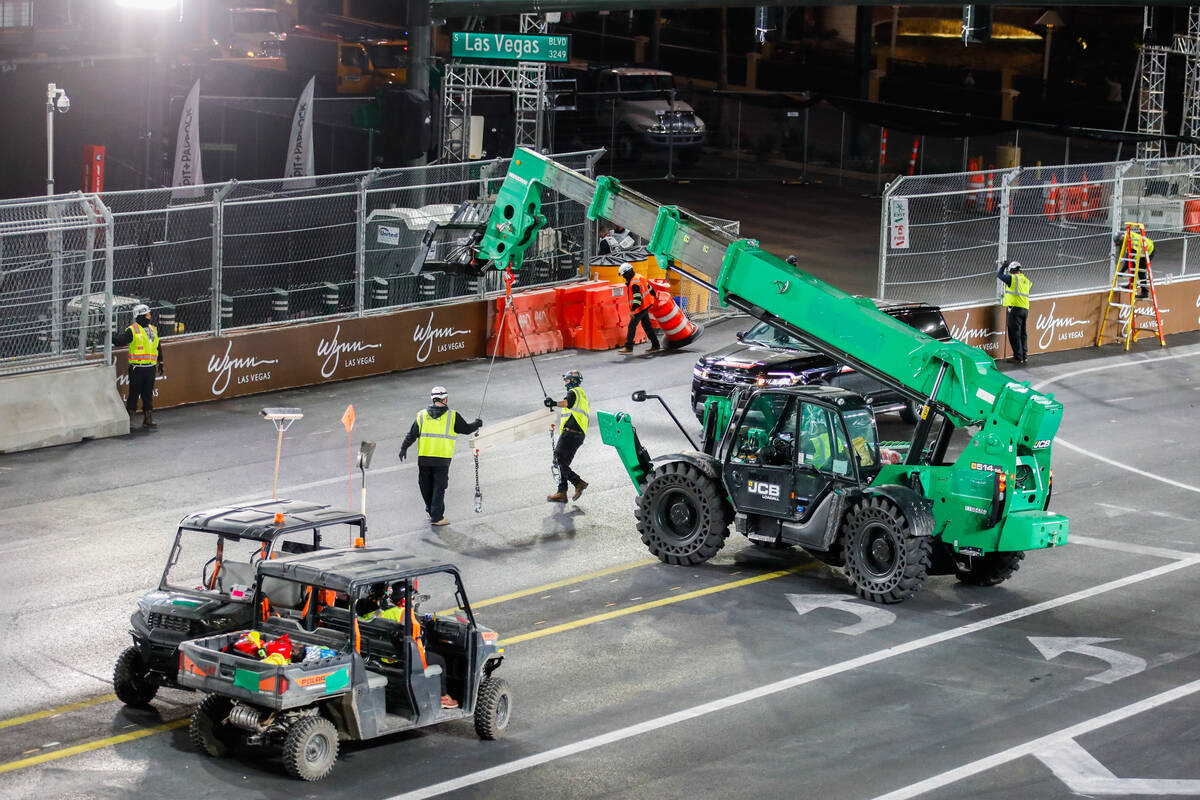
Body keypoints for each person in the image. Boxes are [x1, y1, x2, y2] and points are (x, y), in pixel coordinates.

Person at [357, 582, 456, 708]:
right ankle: (442, 697)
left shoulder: (381, 613)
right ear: (405, 600)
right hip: (399, 658)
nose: (414, 601)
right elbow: (418, 636)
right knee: (439, 659)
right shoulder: (405, 615)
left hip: (379, 654)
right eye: (413, 598)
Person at [398, 386, 482, 527]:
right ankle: (437, 517)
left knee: (425, 485)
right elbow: (466, 429)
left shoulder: (422, 415)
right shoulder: (452, 416)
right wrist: (477, 424)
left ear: (432, 399)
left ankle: (431, 511)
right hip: (442, 459)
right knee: (439, 487)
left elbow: (412, 434)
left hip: (424, 458)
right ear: (445, 399)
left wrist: (403, 448)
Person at [112, 303, 163, 428]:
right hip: (137, 368)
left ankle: (148, 417)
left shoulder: (153, 329)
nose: (149, 317)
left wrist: (161, 362)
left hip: (150, 368)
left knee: (148, 393)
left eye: (149, 314)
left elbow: (158, 346)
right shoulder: (132, 330)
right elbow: (120, 342)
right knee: (134, 393)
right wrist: (110, 336)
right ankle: (130, 418)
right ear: (139, 316)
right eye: (146, 315)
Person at [544, 370, 589, 503]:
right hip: (578, 435)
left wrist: (553, 403)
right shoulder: (582, 396)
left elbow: (567, 402)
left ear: (573, 381)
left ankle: (578, 482)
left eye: (567, 380)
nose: (565, 383)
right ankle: (562, 492)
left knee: (557, 460)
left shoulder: (574, 392)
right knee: (562, 463)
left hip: (570, 433)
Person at [617, 262, 660, 355]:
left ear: (628, 273)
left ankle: (628, 347)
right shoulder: (639, 277)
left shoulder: (634, 284)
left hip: (640, 308)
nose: (624, 277)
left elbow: (637, 300)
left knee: (632, 326)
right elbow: (649, 287)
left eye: (624, 275)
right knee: (647, 326)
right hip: (646, 305)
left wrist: (633, 311)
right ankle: (656, 345)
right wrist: (654, 294)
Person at [997, 260, 1031, 364]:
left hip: (1015, 310)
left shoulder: (1013, 278)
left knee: (1014, 334)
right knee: (1023, 333)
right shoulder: (1026, 280)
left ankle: (1018, 357)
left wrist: (1003, 266)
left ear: (1012, 270)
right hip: (1025, 309)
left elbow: (1000, 275)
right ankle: (1024, 356)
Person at [1115, 231, 1152, 299]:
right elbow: (1129, 259)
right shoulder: (1127, 239)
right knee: (1131, 266)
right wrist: (1122, 271)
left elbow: (1130, 258)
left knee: (1141, 272)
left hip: (1148, 251)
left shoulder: (1132, 241)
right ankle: (1131, 285)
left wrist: (1122, 271)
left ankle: (1145, 292)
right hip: (1141, 251)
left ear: (1121, 239)